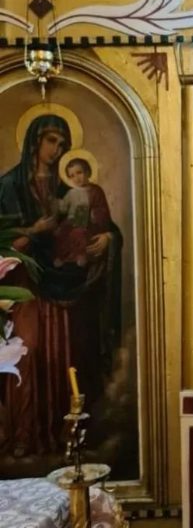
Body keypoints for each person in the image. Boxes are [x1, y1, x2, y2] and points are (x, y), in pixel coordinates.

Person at [0, 114, 122, 458]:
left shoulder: (68, 187)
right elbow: (4, 238)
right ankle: (24, 433)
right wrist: (32, 233)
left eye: (63, 144)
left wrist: (109, 239)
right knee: (29, 352)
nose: (57, 149)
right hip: (25, 284)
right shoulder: (8, 186)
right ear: (34, 141)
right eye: (51, 140)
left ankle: (67, 434)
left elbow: (98, 224)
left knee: (64, 355)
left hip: (65, 285)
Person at [52, 157, 112, 268]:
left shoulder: (96, 190)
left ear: (88, 172)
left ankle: (81, 255)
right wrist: (55, 203)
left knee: (79, 235)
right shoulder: (71, 192)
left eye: (79, 172)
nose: (76, 178)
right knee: (60, 233)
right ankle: (62, 257)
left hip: (88, 223)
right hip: (71, 221)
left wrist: (94, 214)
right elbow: (64, 207)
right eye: (72, 176)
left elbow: (102, 209)